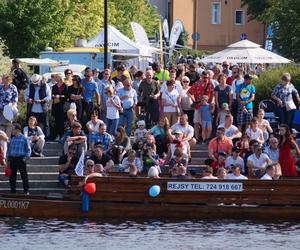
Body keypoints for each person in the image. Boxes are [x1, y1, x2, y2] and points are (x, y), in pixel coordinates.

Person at [188, 71, 215, 141]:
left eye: (207, 77)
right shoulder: (196, 84)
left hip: (207, 106)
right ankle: (197, 138)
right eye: (204, 77)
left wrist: (212, 102)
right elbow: (188, 92)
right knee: (196, 122)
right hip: (198, 106)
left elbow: (213, 94)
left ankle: (206, 139)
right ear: (201, 77)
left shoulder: (210, 84)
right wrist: (193, 99)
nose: (205, 79)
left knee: (206, 124)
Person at [7, 123, 31, 194]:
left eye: (13, 129)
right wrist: (8, 159)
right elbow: (9, 150)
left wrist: (25, 158)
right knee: (12, 176)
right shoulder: (12, 139)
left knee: (24, 175)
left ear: (17, 130)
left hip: (21, 159)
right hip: (13, 159)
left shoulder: (24, 138)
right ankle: (13, 190)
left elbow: (28, 150)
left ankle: (26, 190)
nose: (12, 130)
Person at [0, 74, 18, 138]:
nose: (2, 80)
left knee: (8, 127)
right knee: (1, 128)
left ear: (8, 80)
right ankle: (2, 146)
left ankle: (7, 144)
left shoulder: (13, 87)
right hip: (1, 110)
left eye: (3, 78)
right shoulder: (0, 87)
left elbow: (15, 98)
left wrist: (12, 105)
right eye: (2, 78)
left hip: (8, 111)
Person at [51, 75, 68, 139]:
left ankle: (62, 135)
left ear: (60, 78)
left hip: (62, 105)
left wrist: (60, 96)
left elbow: (67, 95)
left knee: (62, 120)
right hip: (55, 105)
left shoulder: (65, 86)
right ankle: (56, 134)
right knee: (56, 120)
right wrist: (54, 96)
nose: (55, 78)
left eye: (56, 77)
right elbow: (52, 95)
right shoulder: (54, 86)